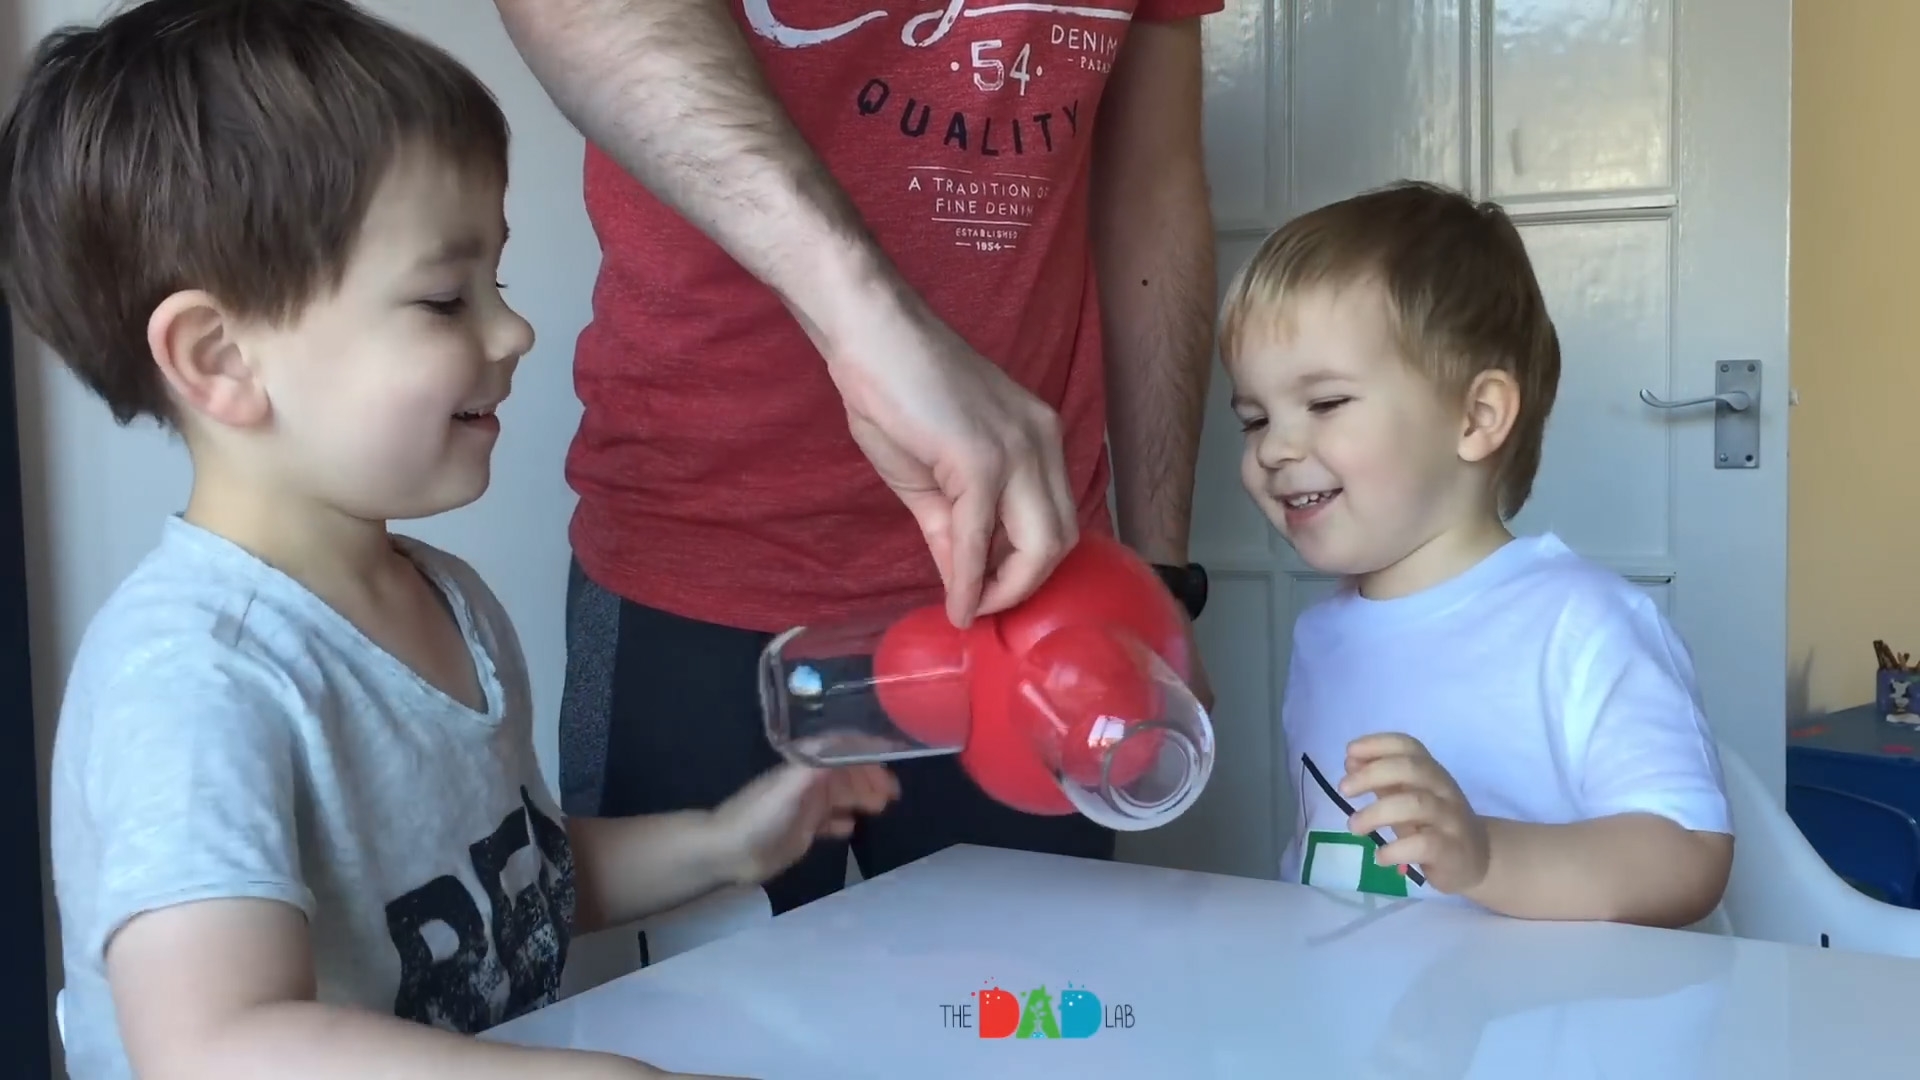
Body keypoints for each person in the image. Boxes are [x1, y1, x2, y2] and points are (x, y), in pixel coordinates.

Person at [2, 3, 893, 1078]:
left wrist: (722, 844)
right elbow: (214, 1044)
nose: (512, 332)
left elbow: (509, 894)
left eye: (498, 284)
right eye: (443, 299)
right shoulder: (194, 679)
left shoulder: (449, 601)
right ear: (219, 356)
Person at [492, 0, 1223, 914]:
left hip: (1037, 595)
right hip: (694, 559)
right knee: (699, 1038)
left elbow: (1150, 187)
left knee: (1023, 1029)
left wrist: (1158, 572)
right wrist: (869, 317)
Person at [1219, 181, 1734, 929]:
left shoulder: (1581, 626)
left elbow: (1688, 854)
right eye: (1254, 418)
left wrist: (1488, 856)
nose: (1274, 447)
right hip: (1349, 1035)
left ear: (1477, 416)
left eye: (1325, 403)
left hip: (1543, 1039)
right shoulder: (1319, 637)